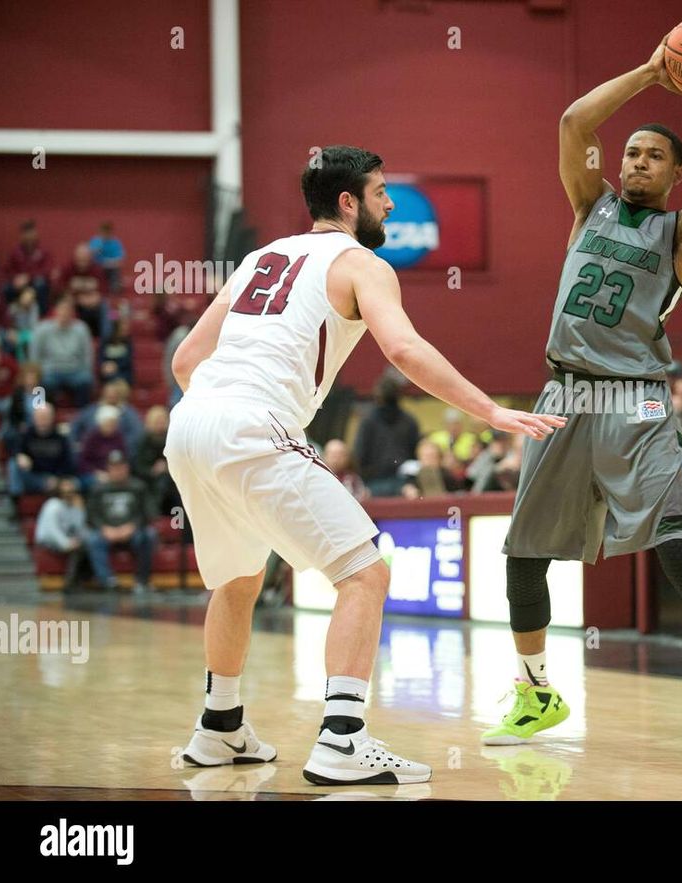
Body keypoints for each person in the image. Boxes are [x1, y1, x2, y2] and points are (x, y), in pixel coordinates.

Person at [165, 145, 563, 785]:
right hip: (249, 423)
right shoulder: (361, 263)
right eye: (381, 193)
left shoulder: (257, 259)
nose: (390, 203)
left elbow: (185, 362)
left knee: (238, 580)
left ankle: (219, 726)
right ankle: (343, 740)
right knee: (366, 573)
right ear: (348, 202)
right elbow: (403, 348)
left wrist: (221, 419)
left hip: (190, 424)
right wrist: (490, 410)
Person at [490, 35, 682, 755]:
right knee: (523, 552)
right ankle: (536, 692)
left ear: (674, 173)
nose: (636, 160)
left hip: (635, 399)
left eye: (653, 155)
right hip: (563, 396)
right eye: (632, 152)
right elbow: (573, 125)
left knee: (675, 542)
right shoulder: (590, 206)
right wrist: (651, 72)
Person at [83, 450, 157, 593]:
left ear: (126, 467)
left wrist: (133, 526)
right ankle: (107, 581)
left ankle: (142, 581)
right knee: (92, 539)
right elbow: (91, 515)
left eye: (120, 467)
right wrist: (103, 528)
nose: (117, 471)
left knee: (149, 535)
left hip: (132, 531)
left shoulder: (138, 487)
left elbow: (149, 513)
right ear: (108, 469)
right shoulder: (98, 489)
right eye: (114, 467)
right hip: (106, 531)